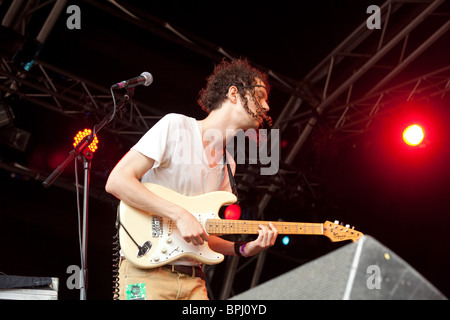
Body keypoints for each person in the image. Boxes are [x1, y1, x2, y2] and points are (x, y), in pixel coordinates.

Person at [105, 58, 279, 300]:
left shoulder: (228, 165)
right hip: (146, 273)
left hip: (194, 282)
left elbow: (203, 233)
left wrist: (243, 249)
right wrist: (179, 214)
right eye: (259, 97)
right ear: (233, 93)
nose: (266, 107)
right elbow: (117, 181)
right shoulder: (176, 127)